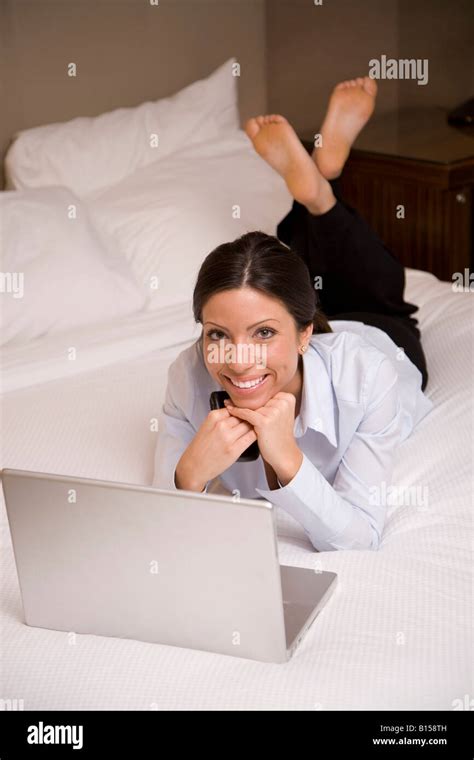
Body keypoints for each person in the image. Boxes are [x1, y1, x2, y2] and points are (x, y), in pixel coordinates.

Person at [152, 77, 433, 552]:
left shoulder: (368, 379)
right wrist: (188, 474)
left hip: (382, 335)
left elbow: (360, 537)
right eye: (218, 333)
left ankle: (321, 190)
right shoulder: (188, 376)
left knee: (386, 292)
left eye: (262, 332)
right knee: (288, 270)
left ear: (306, 334)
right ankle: (320, 188)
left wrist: (290, 462)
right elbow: (157, 522)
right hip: (305, 317)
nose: (239, 362)